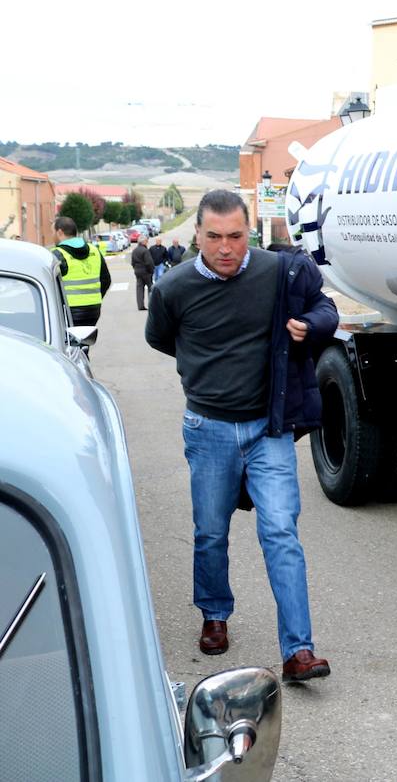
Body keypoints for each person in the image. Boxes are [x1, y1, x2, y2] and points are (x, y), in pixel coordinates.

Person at [145, 189, 337, 683]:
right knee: (211, 531)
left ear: (248, 232)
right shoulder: (175, 288)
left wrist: (309, 326)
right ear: (197, 235)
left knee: (281, 532)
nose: (226, 247)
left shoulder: (278, 273)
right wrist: (204, 371)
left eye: (235, 236)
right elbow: (161, 338)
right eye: (214, 237)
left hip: (268, 429)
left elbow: (325, 309)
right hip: (207, 428)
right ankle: (214, 614)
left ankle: (299, 651)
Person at [52, 216, 112, 328]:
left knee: (70, 343)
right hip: (93, 310)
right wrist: (95, 298)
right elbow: (106, 280)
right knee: (84, 340)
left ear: (59, 232)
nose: (52, 236)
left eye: (53, 232)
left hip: (69, 312)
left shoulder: (57, 254)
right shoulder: (94, 250)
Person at [130, 236, 154, 310]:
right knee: (150, 288)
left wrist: (136, 268)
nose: (147, 243)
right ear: (143, 242)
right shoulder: (145, 251)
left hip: (137, 271)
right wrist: (151, 270)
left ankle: (140, 305)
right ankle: (151, 305)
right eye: (146, 241)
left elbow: (132, 262)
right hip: (146, 271)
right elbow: (149, 262)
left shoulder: (134, 250)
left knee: (139, 288)